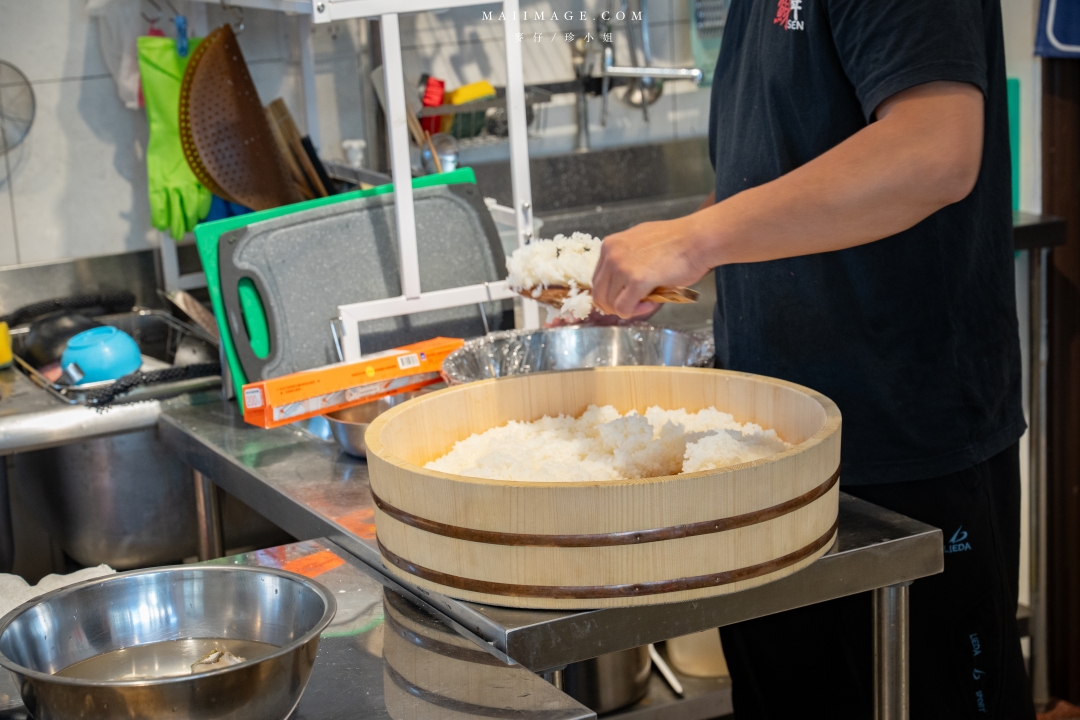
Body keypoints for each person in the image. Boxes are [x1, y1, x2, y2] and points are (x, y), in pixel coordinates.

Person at [588, 0, 1034, 717]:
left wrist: (695, 240)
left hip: (902, 452)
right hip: (768, 452)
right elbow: (780, 163)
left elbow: (933, 152)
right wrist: (671, 253)